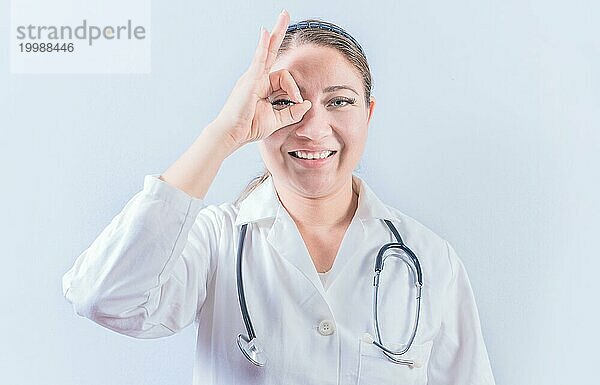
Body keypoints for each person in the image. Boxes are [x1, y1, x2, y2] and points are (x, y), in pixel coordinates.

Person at [62, 10, 496, 385]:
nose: (312, 129)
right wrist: (223, 134)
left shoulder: (430, 259)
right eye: (288, 102)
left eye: (339, 102)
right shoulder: (217, 241)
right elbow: (104, 297)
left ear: (369, 113)